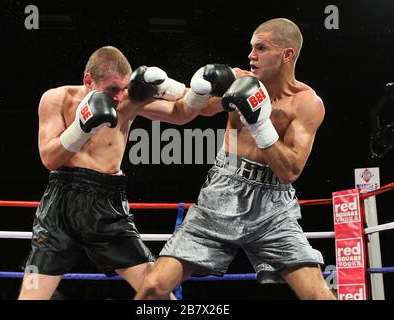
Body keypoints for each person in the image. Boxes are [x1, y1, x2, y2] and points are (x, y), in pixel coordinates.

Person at [135, 18, 337, 300]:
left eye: (261, 48)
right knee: (152, 288)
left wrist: (259, 123)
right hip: (221, 194)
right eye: (251, 48)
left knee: (319, 296)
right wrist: (161, 88)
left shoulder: (306, 103)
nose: (251, 55)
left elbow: (290, 171)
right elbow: (194, 106)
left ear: (287, 54)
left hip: (273, 210)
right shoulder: (238, 79)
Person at [18, 46, 204, 299]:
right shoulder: (56, 99)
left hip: (107, 207)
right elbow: (49, 159)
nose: (118, 97)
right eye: (112, 89)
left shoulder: (128, 100)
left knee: (158, 293)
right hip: (59, 207)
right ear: (88, 80)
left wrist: (194, 91)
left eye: (124, 88)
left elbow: (181, 114)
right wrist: (81, 128)